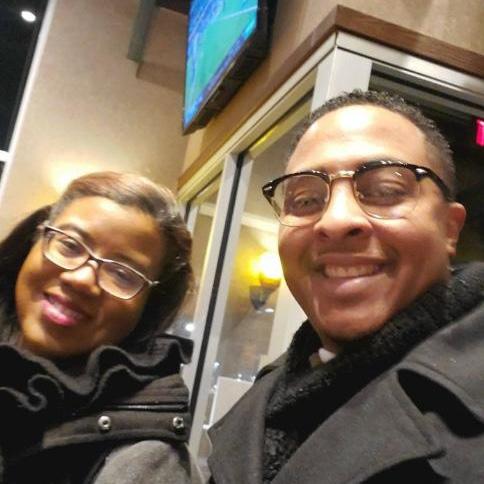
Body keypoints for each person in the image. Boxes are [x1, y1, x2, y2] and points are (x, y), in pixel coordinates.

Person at [207, 90, 484, 482]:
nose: (335, 221)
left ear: (449, 229)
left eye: (385, 191)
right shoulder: (269, 393)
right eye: (305, 200)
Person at [0, 171, 201, 483]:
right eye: (69, 245)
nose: (81, 279)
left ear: (148, 309)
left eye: (122, 274)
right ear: (35, 241)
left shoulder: (146, 461)